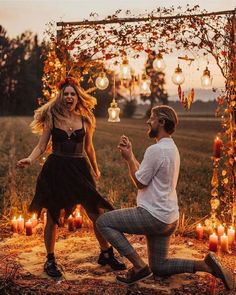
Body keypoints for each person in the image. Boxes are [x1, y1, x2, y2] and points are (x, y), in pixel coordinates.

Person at [96, 105, 234, 290]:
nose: (148, 121)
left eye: (152, 118)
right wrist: (131, 155)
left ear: (161, 122)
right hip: (169, 218)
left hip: (152, 216)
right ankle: (205, 265)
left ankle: (139, 266)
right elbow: (144, 175)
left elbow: (139, 182)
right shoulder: (171, 148)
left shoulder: (156, 150)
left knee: (103, 222)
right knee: (160, 267)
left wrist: (128, 159)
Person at [17, 77, 125, 278]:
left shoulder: (86, 120)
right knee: (53, 216)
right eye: (65, 94)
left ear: (77, 97)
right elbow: (41, 145)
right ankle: (50, 259)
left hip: (79, 169)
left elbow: (89, 148)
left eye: (72, 94)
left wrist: (95, 168)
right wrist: (30, 160)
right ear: (61, 97)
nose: (69, 97)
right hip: (56, 168)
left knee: (96, 213)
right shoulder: (52, 118)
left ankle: (106, 253)